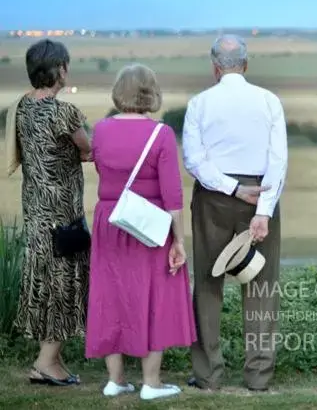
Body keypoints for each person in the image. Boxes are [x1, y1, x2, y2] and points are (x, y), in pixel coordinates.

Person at [84, 63, 197, 400]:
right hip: (149, 224)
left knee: (110, 294)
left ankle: (115, 380)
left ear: (119, 92)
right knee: (156, 295)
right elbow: (173, 195)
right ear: (151, 93)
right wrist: (179, 240)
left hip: (110, 220)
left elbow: (103, 171)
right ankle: (151, 383)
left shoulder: (101, 130)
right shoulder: (160, 134)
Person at [183, 34, 287, 392]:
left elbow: (193, 160)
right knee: (261, 285)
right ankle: (258, 377)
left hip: (213, 198)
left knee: (208, 285)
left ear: (215, 67)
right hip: (260, 195)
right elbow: (278, 161)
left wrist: (228, 187)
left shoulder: (199, 103)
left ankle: (208, 375)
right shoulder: (269, 101)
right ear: (246, 63)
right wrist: (263, 211)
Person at [12, 39, 91, 386]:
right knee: (66, 287)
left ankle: (52, 362)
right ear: (60, 70)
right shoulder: (65, 112)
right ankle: (45, 363)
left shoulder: (21, 108)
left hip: (35, 213)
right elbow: (87, 150)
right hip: (64, 216)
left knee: (44, 284)